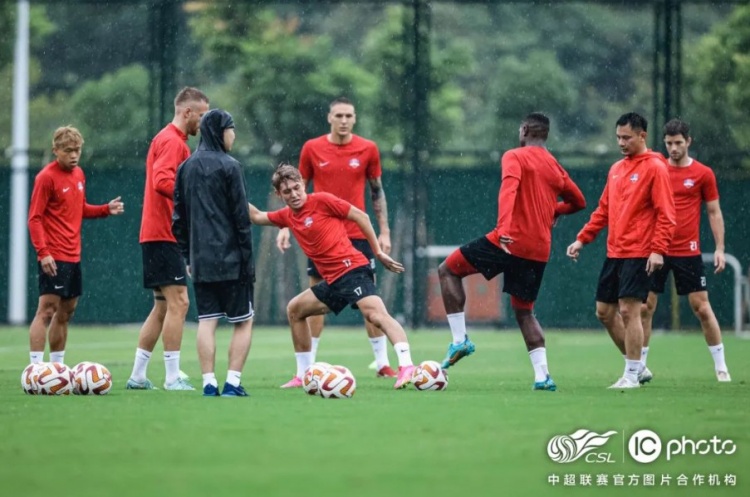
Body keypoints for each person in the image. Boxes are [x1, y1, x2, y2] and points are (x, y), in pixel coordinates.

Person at [437, 112, 586, 391]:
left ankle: (460, 340)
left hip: (508, 240)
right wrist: (555, 209)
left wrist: (503, 228)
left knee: (448, 270)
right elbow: (579, 201)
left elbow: (509, 189)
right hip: (538, 248)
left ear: (525, 129)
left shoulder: (514, 156)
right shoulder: (555, 167)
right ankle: (543, 377)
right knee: (525, 312)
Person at [251, 164, 416, 390]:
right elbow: (257, 216)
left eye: (297, 188)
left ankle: (407, 366)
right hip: (334, 282)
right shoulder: (287, 216)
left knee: (376, 315)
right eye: (287, 191)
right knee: (295, 310)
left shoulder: (322, 200)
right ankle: (304, 375)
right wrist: (229, 192)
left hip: (353, 270)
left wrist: (377, 252)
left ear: (303, 185)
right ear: (280, 195)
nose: (294, 194)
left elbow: (361, 216)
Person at [275, 97, 397, 385]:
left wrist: (384, 231)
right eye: (339, 115)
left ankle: (382, 363)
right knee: (315, 296)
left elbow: (377, 191)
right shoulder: (312, 148)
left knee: (369, 298)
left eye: (348, 115)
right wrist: (285, 226)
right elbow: (295, 189)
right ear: (329, 118)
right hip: (320, 235)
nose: (344, 120)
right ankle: (310, 365)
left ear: (355, 118)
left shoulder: (368, 149)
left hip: (356, 235)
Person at [567, 112, 676, 389]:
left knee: (629, 311)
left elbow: (666, 213)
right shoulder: (616, 168)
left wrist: (658, 250)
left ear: (642, 136)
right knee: (604, 312)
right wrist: (582, 239)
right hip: (615, 252)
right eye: (618, 137)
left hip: (640, 252)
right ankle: (639, 367)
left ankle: (631, 375)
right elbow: (603, 209)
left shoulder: (656, 167)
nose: (621, 142)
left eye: (626, 137)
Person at [127, 87, 209, 391]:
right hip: (163, 234)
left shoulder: (170, 140)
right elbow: (162, 181)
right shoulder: (173, 142)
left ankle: (138, 375)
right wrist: (193, 195)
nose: (203, 122)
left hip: (158, 233)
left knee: (162, 306)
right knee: (180, 302)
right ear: (187, 112)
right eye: (201, 115)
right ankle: (172, 377)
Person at [639, 119, 731, 383]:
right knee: (645, 307)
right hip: (656, 249)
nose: (674, 148)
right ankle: (639, 368)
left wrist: (720, 248)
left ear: (688, 141)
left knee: (701, 307)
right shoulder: (656, 169)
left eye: (678, 142)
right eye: (669, 143)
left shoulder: (703, 174)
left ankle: (721, 368)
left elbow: (714, 212)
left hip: (687, 251)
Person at [173, 109, 255, 397]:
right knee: (243, 321)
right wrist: (247, 260)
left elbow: (178, 220)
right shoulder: (231, 166)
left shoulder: (185, 167)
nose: (234, 135)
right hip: (232, 259)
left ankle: (209, 384)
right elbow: (241, 219)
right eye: (231, 129)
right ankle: (232, 383)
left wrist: (188, 256)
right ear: (221, 132)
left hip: (201, 261)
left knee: (207, 321)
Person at [27, 126, 125, 365]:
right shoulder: (46, 177)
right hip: (54, 256)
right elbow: (34, 218)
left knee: (66, 312)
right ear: (56, 150)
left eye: (77, 150)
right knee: (46, 311)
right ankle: (36, 370)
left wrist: (105, 209)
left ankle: (57, 368)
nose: (74, 155)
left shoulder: (79, 174)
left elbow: (79, 209)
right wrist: (43, 252)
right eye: (68, 150)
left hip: (74, 256)